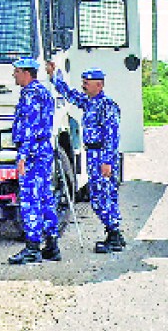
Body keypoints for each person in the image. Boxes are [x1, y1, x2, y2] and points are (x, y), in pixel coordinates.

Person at [47, 62, 126, 253]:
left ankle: (114, 235)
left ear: (99, 85)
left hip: (102, 155)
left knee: (103, 196)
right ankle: (114, 233)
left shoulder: (107, 106)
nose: (84, 85)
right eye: (83, 82)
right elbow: (71, 95)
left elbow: (112, 136)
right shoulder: (90, 102)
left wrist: (107, 161)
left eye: (87, 83)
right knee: (99, 195)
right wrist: (54, 77)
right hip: (92, 153)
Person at [8, 57, 61, 264]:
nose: (14, 75)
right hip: (43, 150)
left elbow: (30, 128)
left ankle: (32, 249)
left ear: (26, 73)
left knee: (30, 199)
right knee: (46, 198)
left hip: (32, 152)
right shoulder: (43, 91)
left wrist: (22, 155)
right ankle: (51, 245)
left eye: (17, 71)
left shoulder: (30, 94)